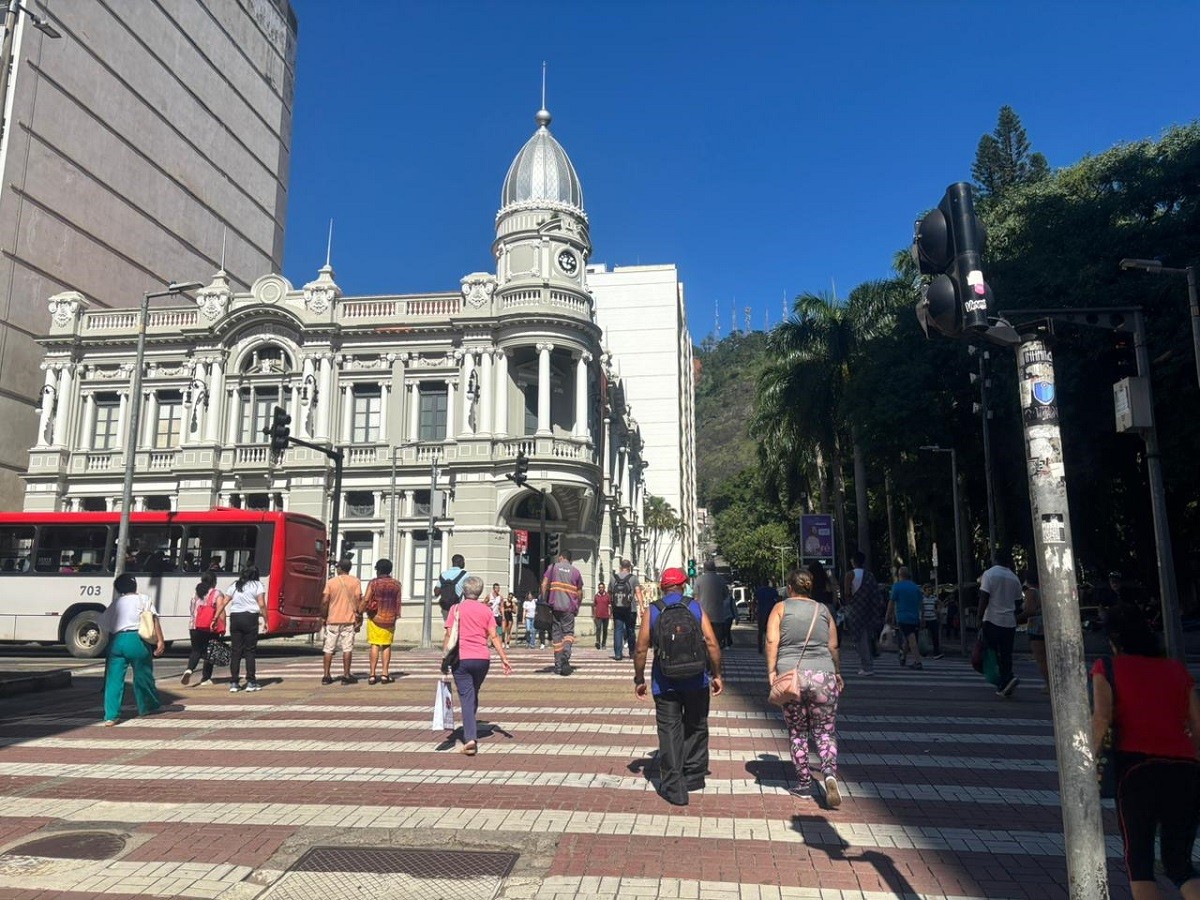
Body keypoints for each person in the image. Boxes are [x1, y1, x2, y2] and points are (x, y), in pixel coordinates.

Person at [1091, 604, 1200, 900]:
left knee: (1139, 862)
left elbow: (1102, 718)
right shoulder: (1176, 669)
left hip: (1136, 769)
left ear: (1114, 640)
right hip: (1185, 769)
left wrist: (1087, 761)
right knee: (1179, 864)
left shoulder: (1107, 667)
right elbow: (1197, 723)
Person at [633, 567, 724, 806]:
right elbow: (712, 643)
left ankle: (675, 788)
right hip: (697, 679)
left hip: (665, 682)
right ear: (683, 585)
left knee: (669, 731)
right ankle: (694, 776)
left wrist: (639, 679)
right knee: (696, 725)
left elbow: (641, 648)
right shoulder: (694, 607)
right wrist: (716, 674)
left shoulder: (653, 610)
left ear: (663, 587)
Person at [766, 567, 844, 806]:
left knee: (798, 732)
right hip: (823, 675)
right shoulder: (823, 610)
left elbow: (771, 640)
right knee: (825, 731)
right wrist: (837, 672)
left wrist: (771, 671)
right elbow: (833, 645)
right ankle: (829, 773)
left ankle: (803, 784)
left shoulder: (780, 608)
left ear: (789, 588)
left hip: (792, 677)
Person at [443, 575, 513, 755]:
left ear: (463, 591)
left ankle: (470, 738)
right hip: (482, 659)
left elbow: (449, 635)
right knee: (473, 692)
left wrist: (444, 658)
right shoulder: (486, 611)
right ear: (480, 592)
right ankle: (470, 725)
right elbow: (494, 635)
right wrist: (504, 658)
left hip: (461, 658)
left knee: (467, 696)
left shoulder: (455, 609)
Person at [98, 573, 165, 725]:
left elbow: (104, 624)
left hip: (117, 641)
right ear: (135, 585)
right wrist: (160, 641)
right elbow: (154, 620)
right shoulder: (144, 599)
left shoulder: (116, 603)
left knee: (113, 680)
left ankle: (111, 716)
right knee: (143, 675)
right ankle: (146, 706)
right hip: (137, 640)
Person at [214, 565, 267, 692]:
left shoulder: (235, 585)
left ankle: (234, 682)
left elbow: (224, 602)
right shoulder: (258, 585)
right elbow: (261, 604)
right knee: (250, 651)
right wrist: (266, 620)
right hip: (250, 618)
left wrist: (215, 618)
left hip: (235, 618)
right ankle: (251, 682)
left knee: (236, 651)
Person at [979, 555, 1022, 698]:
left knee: (992, 651)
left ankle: (1004, 679)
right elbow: (1018, 602)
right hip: (1009, 622)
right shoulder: (1014, 578)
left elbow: (984, 597)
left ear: (995, 561)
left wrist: (979, 617)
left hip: (992, 619)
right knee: (1006, 653)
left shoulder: (989, 574)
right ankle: (1007, 677)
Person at [320, 558, 363, 686]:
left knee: (328, 648)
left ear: (339, 568)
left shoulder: (331, 582)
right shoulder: (355, 581)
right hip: (349, 620)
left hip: (333, 619)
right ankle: (346, 675)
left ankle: (326, 676)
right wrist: (359, 616)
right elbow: (358, 599)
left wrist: (324, 616)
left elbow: (325, 600)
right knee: (347, 648)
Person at [542, 550, 583, 676]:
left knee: (557, 636)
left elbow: (544, 584)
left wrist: (544, 600)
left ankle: (558, 665)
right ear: (570, 559)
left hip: (555, 607)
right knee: (568, 634)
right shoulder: (575, 572)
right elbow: (579, 592)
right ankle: (566, 653)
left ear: (561, 557)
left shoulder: (553, 567)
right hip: (569, 608)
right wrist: (578, 606)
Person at [363, 558, 401, 685]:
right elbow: (398, 602)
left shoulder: (373, 583)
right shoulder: (397, 584)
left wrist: (360, 610)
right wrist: (395, 616)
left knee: (374, 644)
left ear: (378, 570)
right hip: (390, 619)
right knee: (386, 645)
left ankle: (372, 675)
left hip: (375, 618)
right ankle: (385, 674)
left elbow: (366, 599)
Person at [182, 571, 224, 687]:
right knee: (210, 652)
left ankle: (189, 669)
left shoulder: (196, 593)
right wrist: (222, 626)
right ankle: (205, 678)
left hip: (194, 626)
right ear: (214, 581)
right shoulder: (217, 593)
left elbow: (191, 610)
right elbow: (221, 609)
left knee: (196, 650)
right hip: (209, 626)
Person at [841, 552, 880, 676]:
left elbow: (847, 593)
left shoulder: (850, 575)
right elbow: (875, 593)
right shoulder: (870, 575)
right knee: (867, 636)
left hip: (856, 609)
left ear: (853, 561)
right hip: (869, 609)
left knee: (859, 638)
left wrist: (846, 607)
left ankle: (866, 665)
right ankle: (868, 662)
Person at [886, 567, 924, 670]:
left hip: (903, 617)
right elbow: (921, 603)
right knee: (909, 637)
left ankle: (917, 661)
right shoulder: (915, 587)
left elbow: (891, 602)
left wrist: (888, 615)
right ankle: (903, 657)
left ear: (899, 575)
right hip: (915, 617)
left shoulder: (897, 586)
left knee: (911, 638)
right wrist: (923, 617)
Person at [609, 559, 642, 661]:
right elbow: (638, 592)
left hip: (617, 608)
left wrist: (611, 607)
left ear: (620, 567)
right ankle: (632, 652)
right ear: (630, 568)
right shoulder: (633, 578)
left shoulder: (613, 577)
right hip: (630, 608)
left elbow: (610, 593)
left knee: (618, 630)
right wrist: (641, 606)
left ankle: (618, 654)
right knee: (630, 630)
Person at [696, 559, 732, 649]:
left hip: (703, 616)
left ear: (704, 568)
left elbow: (695, 597)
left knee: (704, 640)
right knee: (717, 641)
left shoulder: (699, 580)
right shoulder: (721, 580)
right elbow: (725, 595)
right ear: (715, 568)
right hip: (718, 615)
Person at [1022, 571, 1047, 693]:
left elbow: (1029, 610)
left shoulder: (1031, 592)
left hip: (1036, 627)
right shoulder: (1045, 590)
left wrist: (1016, 618)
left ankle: (1049, 684)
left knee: (1041, 658)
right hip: (1047, 625)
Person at [919, 582, 943, 660]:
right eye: (928, 590)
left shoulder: (934, 598)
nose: (930, 591)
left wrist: (937, 610)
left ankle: (936, 653)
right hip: (925, 620)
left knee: (935, 636)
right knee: (923, 636)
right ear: (924, 591)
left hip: (933, 619)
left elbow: (940, 603)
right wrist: (921, 619)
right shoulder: (921, 598)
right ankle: (922, 651)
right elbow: (920, 608)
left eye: (931, 590)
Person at [755, 579, 779, 654]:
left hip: (761, 612)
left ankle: (760, 648)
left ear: (762, 583)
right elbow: (778, 599)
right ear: (768, 583)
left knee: (760, 631)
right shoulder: (772, 590)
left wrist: (754, 611)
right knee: (770, 630)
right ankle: (770, 646)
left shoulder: (758, 591)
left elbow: (754, 601)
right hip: (771, 612)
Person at [593, 582, 611, 650]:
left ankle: (604, 643)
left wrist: (610, 614)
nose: (601, 588)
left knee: (605, 630)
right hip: (598, 616)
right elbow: (594, 606)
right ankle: (598, 642)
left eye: (602, 587)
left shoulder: (607, 596)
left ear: (604, 588)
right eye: (599, 587)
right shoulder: (596, 596)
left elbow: (610, 605)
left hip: (606, 616)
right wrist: (594, 615)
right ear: (598, 588)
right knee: (598, 628)